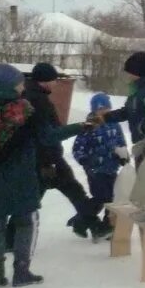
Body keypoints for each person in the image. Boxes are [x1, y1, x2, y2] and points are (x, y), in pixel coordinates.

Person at [0, 64, 90, 286]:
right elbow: (49, 137)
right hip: (22, 178)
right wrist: (81, 126)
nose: (22, 87)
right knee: (27, 223)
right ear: (10, 87)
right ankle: (21, 272)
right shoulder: (24, 110)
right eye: (19, 83)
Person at [24, 63, 106, 239]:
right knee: (70, 192)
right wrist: (81, 126)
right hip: (45, 158)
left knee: (70, 191)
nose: (55, 83)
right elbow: (49, 136)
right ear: (45, 81)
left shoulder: (30, 95)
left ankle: (95, 225)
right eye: (54, 80)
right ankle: (94, 225)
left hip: (41, 157)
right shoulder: (38, 101)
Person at [100, 51, 145, 159]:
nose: (128, 76)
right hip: (142, 143)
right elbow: (128, 111)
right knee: (143, 175)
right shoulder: (138, 90)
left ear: (138, 72)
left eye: (130, 72)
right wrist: (106, 117)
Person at [71, 93, 129, 210]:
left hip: (112, 169)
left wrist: (123, 157)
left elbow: (121, 143)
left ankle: (108, 224)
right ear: (94, 110)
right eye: (100, 109)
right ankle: (83, 218)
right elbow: (77, 148)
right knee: (101, 198)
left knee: (113, 198)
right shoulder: (89, 126)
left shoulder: (115, 124)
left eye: (106, 108)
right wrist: (85, 160)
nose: (104, 112)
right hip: (95, 170)